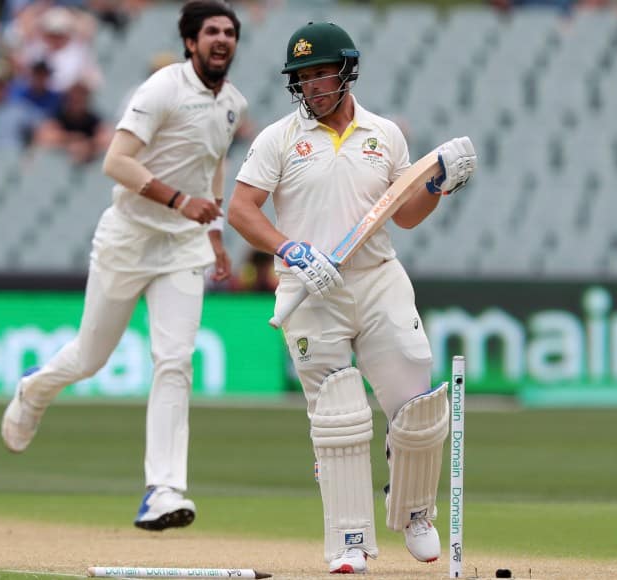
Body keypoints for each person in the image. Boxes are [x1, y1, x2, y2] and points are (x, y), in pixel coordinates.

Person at [227, 21, 477, 575]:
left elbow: (404, 215)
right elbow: (241, 210)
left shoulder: (384, 134)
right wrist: (290, 250)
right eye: (304, 77)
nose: (313, 86)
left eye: (322, 73)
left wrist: (435, 187)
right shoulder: (278, 139)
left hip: (377, 275)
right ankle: (350, 542)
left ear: (347, 71)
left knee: (418, 399)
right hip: (310, 286)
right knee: (338, 415)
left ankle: (414, 511)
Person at [1, 0, 245, 533]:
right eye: (211, 32)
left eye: (229, 32)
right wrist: (181, 201)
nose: (222, 39)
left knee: (175, 361)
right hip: (129, 238)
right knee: (91, 357)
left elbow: (215, 166)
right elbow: (115, 160)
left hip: (184, 247)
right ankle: (34, 390)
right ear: (190, 42)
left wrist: (214, 233)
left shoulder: (232, 104)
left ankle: (163, 489)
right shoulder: (161, 88)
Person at [34, 80, 112, 164]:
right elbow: (43, 136)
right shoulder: (58, 116)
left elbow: (106, 139)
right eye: (73, 98)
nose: (76, 101)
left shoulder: (93, 119)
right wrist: (71, 139)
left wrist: (87, 144)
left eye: (80, 97)